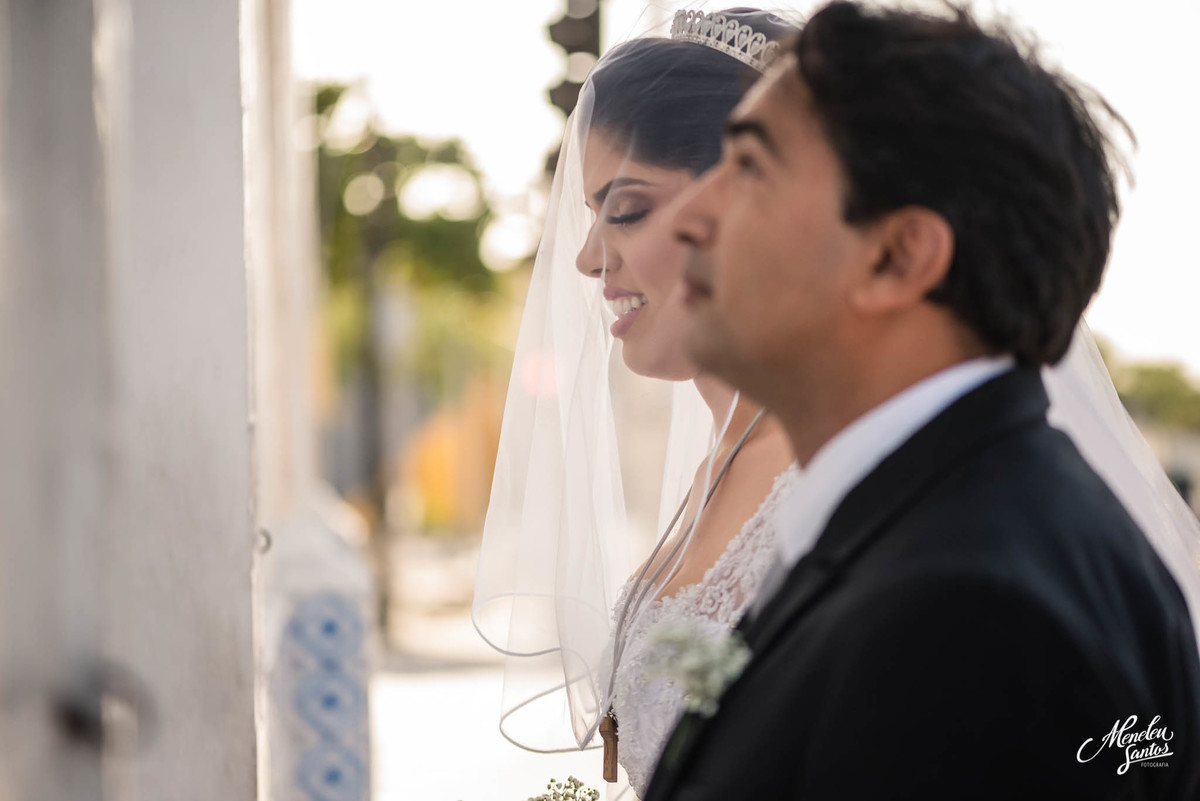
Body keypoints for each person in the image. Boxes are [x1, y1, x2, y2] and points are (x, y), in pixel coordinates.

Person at [644, 2, 1200, 799]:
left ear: (899, 255)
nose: (690, 215)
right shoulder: (946, 520)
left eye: (749, 169)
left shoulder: (972, 615)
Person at [472, 8, 797, 798]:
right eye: (588, 215)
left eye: (624, 210)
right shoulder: (719, 460)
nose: (588, 259)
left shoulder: (821, 473)